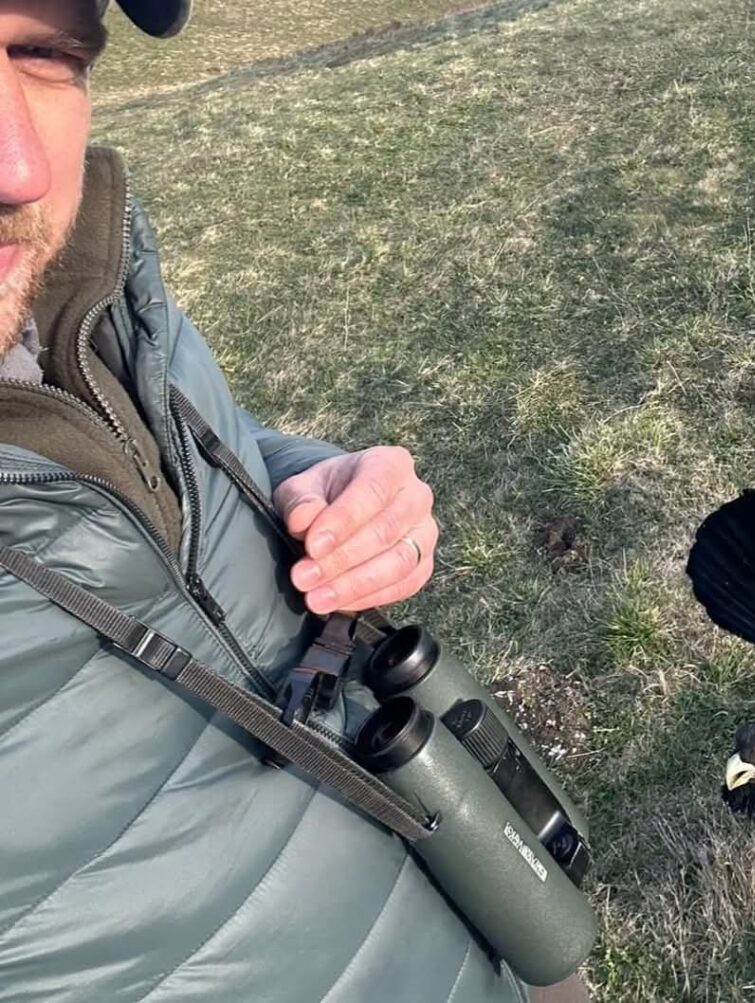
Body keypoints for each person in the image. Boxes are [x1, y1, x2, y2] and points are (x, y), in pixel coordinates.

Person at [0, 2, 590, 1000]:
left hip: (486, 925)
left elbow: (161, 467)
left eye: (46, 53)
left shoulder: (87, 282)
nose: (20, 168)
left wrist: (307, 481)